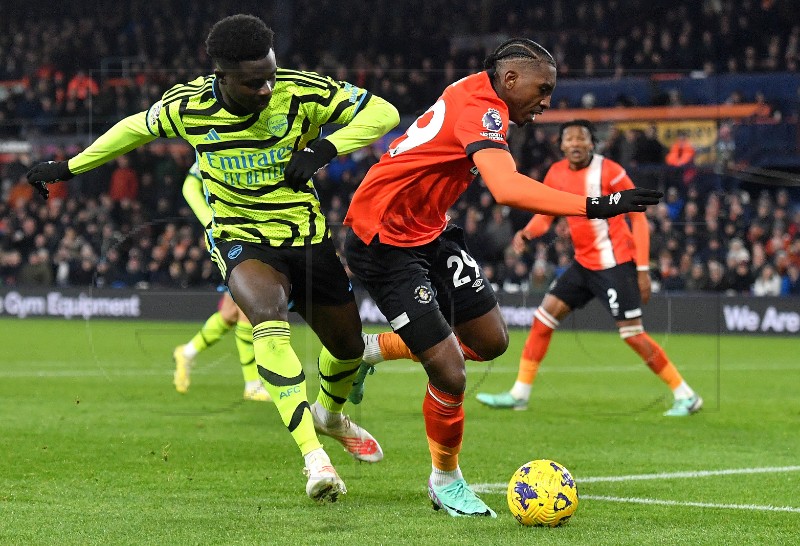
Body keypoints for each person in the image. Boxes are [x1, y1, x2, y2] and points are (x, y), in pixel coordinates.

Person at [27, 14, 400, 503]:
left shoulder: (302, 91)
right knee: (266, 318)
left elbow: (385, 114)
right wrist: (70, 167)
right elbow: (133, 129)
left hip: (306, 237)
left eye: (270, 74)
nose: (267, 88)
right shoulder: (189, 105)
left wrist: (326, 147)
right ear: (221, 77)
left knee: (348, 347)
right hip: (240, 236)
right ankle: (315, 458)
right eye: (253, 82)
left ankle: (330, 415)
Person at [343, 40, 661, 518]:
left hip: (428, 231)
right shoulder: (482, 107)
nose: (548, 101)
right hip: (383, 240)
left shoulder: (479, 94)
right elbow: (507, 188)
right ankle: (445, 480)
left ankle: (373, 350)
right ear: (510, 80)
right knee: (450, 371)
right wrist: (599, 205)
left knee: (491, 340)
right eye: (543, 88)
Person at [475, 119, 702, 417]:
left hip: (614, 264)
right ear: (561, 145)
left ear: (592, 143)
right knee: (543, 320)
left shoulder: (611, 172)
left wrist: (643, 269)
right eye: (569, 139)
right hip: (583, 263)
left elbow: (639, 219)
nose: (575, 144)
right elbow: (547, 213)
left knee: (632, 334)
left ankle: (686, 395)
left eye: (581, 138)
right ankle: (520, 393)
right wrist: (528, 233)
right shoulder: (555, 173)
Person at [172, 162, 270, 402]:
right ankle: (252, 384)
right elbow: (189, 185)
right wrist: (209, 221)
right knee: (248, 307)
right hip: (232, 236)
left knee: (229, 314)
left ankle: (187, 352)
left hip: (251, 232)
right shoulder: (217, 144)